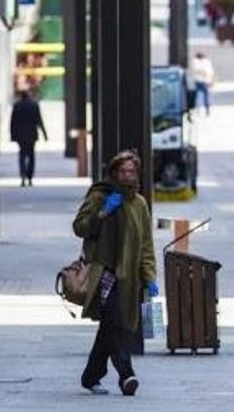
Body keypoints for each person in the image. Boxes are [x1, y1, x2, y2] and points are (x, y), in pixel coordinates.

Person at [72, 150, 157, 396]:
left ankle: (91, 376)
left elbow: (146, 245)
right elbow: (79, 227)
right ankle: (126, 376)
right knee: (115, 324)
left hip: (128, 277)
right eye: (122, 171)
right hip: (103, 272)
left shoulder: (139, 204)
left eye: (131, 171)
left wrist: (149, 276)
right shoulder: (100, 195)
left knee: (109, 328)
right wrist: (102, 214)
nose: (127, 176)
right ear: (113, 172)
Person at [9, 90, 48, 187]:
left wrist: (12, 136)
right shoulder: (34, 105)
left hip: (20, 136)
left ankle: (22, 176)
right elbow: (39, 120)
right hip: (31, 135)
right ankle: (30, 178)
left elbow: (13, 122)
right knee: (31, 156)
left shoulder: (17, 105)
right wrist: (44, 134)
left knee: (22, 155)